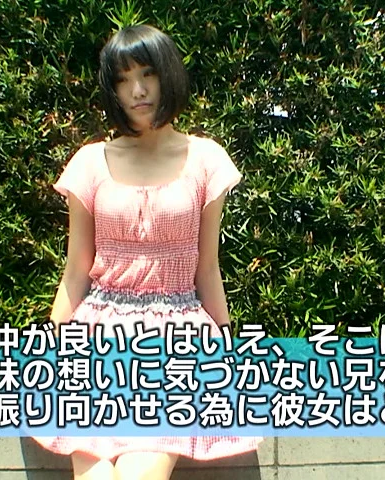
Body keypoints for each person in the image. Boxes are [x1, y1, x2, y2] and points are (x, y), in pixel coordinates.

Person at [32, 24, 263, 479]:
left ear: (167, 75)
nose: (137, 91)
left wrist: (229, 348)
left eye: (147, 74)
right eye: (123, 80)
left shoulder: (206, 160)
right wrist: (47, 351)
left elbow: (207, 269)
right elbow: (75, 272)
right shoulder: (90, 162)